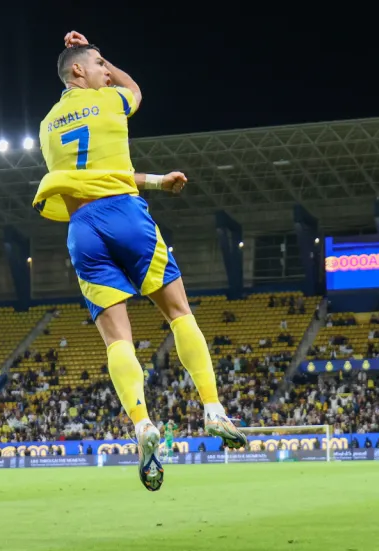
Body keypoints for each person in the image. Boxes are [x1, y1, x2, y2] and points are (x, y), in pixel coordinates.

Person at [32, 31, 247, 492]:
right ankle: (212, 408)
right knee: (177, 311)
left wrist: (153, 179)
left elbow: (87, 176)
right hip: (125, 214)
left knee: (117, 340)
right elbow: (136, 93)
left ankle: (142, 425)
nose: (105, 71)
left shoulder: (47, 126)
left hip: (81, 230)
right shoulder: (110, 100)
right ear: (78, 71)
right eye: (98, 65)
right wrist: (105, 56)